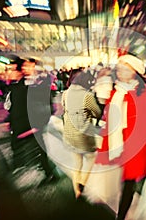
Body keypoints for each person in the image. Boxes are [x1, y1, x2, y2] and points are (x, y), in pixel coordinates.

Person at [96, 54, 146, 220]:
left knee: (132, 180)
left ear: (135, 71)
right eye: (120, 69)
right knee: (129, 180)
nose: (122, 72)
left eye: (126, 69)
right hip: (122, 143)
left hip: (141, 143)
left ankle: (123, 215)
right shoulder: (116, 91)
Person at [5, 57, 57, 184]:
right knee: (20, 148)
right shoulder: (18, 86)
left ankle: (48, 173)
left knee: (39, 150)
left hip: (33, 125)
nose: (27, 69)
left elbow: (48, 106)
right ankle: (29, 169)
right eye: (25, 66)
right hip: (20, 125)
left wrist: (39, 124)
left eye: (31, 66)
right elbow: (13, 106)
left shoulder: (40, 84)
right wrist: (10, 121)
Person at [62, 69, 102, 198]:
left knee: (77, 162)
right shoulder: (87, 95)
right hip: (83, 134)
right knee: (91, 158)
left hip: (69, 132)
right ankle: (82, 183)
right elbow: (97, 112)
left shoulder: (66, 93)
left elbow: (64, 108)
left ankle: (76, 190)